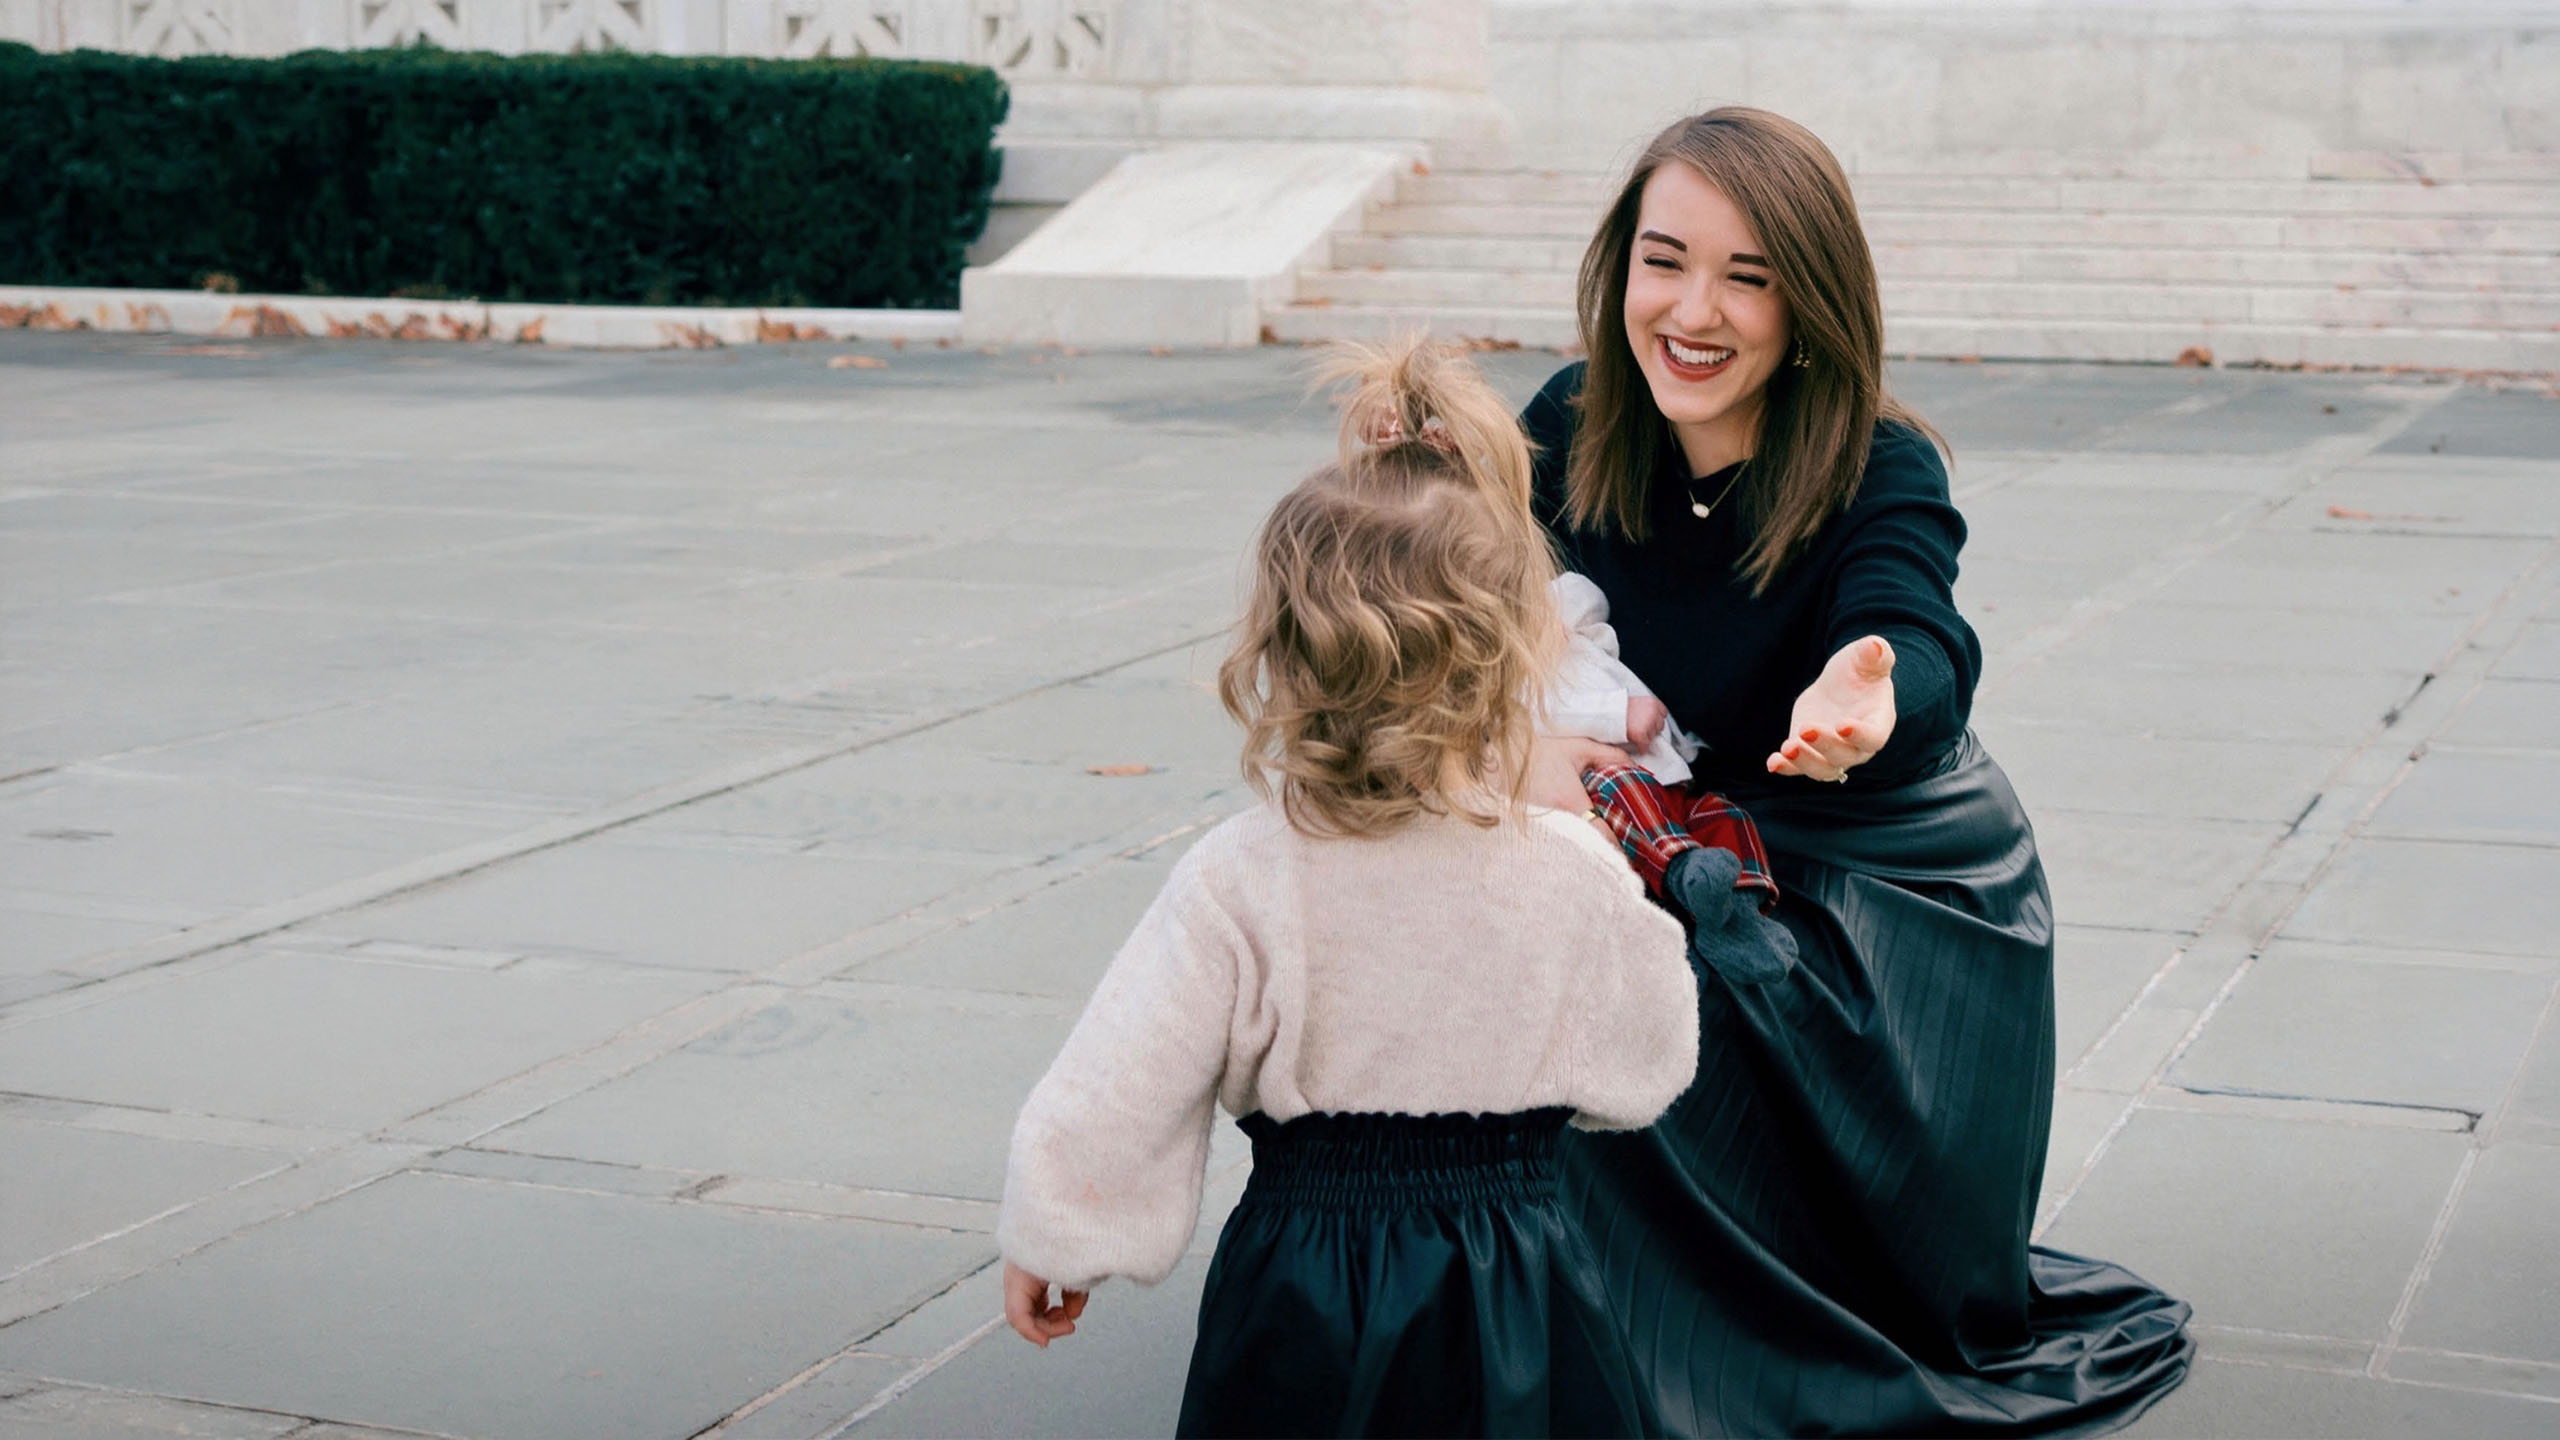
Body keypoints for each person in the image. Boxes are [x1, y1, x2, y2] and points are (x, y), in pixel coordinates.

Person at [1520, 107, 2195, 1436]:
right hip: (1690, 826)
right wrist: (1526, 746)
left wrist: (1864, 690)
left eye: (1750, 276)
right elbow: (1473, 613)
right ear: (1620, 266)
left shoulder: (1881, 458)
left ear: (1812, 299)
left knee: (1628, 1006)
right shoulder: (1572, 419)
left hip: (1891, 892)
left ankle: (1676, 1335)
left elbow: (1912, 629)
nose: (1693, 311)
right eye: (1665, 260)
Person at [993, 340, 1702, 1438]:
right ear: (1511, 656)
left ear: (1280, 657)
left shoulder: (1239, 875)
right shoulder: (1567, 865)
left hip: (1302, 1275)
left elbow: (1121, 1076)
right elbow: (1645, 1064)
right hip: (1513, 1273)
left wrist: (1061, 1233)